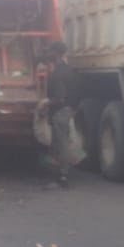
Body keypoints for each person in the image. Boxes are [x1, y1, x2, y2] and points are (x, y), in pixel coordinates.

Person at [44, 41, 76, 187]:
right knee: (62, 142)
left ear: (56, 53)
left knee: (61, 143)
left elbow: (60, 97)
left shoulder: (58, 74)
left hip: (60, 112)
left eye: (50, 51)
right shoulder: (68, 69)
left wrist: (46, 103)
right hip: (67, 110)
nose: (48, 54)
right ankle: (61, 174)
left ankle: (63, 176)